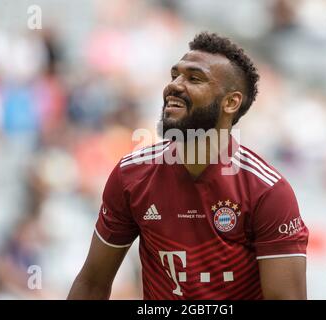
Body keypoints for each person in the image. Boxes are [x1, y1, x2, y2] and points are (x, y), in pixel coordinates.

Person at [68, 32, 309, 300]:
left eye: (194, 78)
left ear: (231, 102)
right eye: (175, 75)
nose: (174, 85)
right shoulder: (131, 175)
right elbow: (92, 284)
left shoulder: (267, 191)